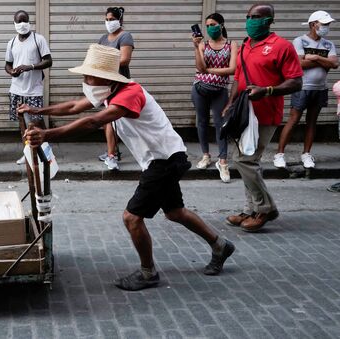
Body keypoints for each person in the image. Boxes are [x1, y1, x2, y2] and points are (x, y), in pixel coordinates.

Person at [19, 44, 235, 291]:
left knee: (132, 218)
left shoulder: (130, 93)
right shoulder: (109, 92)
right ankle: (220, 245)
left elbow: (92, 121)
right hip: (164, 157)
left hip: (163, 161)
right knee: (175, 212)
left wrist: (47, 134)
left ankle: (148, 272)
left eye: (89, 76)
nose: (85, 80)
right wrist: (37, 110)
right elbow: (74, 107)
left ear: (105, 78)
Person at [225, 3, 303, 232]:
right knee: (244, 160)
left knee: (245, 160)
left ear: (269, 20)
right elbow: (238, 78)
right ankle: (252, 209)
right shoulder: (245, 45)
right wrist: (230, 104)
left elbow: (296, 82)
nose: (251, 20)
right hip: (242, 113)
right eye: (248, 16)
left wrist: (267, 90)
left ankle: (266, 208)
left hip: (265, 114)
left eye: (256, 17)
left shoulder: (282, 46)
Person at [274, 10, 338, 169]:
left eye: (328, 24)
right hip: (302, 87)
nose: (326, 27)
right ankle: (280, 154)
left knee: (311, 122)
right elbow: (300, 64)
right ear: (313, 24)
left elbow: (335, 64)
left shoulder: (328, 44)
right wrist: (324, 61)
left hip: (320, 88)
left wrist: (315, 57)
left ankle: (306, 154)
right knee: (294, 119)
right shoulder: (300, 41)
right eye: (324, 24)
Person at [191, 13, 237, 183]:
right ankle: (205, 155)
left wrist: (208, 71)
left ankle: (223, 161)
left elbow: (232, 69)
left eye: (213, 24)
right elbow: (199, 66)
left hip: (220, 90)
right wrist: (196, 47)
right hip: (199, 89)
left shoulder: (232, 45)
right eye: (208, 25)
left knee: (221, 124)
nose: (210, 27)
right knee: (201, 122)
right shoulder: (203, 44)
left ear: (222, 24)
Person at [5, 10, 52, 165]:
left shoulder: (38, 39)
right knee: (22, 124)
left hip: (34, 89)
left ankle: (45, 151)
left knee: (37, 121)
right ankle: (28, 152)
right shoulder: (11, 42)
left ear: (29, 21)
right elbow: (7, 64)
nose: (22, 24)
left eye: (24, 21)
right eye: (19, 22)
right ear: (14, 24)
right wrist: (12, 72)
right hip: (16, 89)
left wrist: (30, 66)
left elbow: (48, 61)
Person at [96, 6, 134, 171]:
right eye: (107, 19)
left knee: (110, 119)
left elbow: (125, 59)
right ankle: (113, 151)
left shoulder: (125, 36)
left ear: (120, 20)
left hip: (119, 84)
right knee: (107, 121)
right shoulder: (103, 38)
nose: (109, 22)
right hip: (105, 84)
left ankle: (111, 157)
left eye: (112, 19)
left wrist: (104, 62)